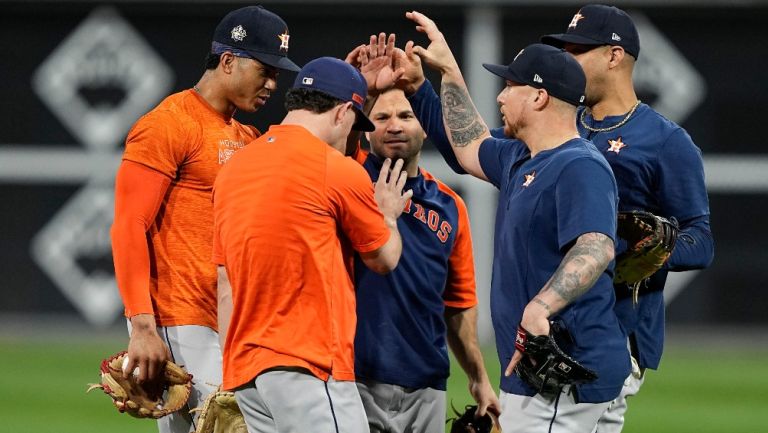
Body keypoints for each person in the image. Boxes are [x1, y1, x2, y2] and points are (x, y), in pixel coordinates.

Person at [399, 11, 632, 433]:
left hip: (562, 377)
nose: (501, 97)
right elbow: (468, 142)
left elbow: (596, 245)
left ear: (540, 97)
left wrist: (541, 306)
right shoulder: (518, 156)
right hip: (552, 374)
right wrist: (445, 72)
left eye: (510, 86)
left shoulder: (579, 165)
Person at [109, 6, 299, 432]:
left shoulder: (245, 135)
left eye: (277, 73)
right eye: (265, 70)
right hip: (182, 322)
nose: (272, 84)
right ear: (228, 60)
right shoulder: (168, 124)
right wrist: (142, 325)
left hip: (232, 321)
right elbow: (127, 225)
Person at [212, 57, 412, 433]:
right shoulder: (334, 168)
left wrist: (230, 372)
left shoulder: (234, 170)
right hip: (308, 366)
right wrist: (387, 214)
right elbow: (384, 259)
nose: (352, 136)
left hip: (247, 374)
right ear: (342, 113)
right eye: (355, 123)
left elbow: (226, 283)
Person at [540, 5, 715, 431]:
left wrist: (649, 252)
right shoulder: (560, 124)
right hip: (551, 322)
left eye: (579, 50)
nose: (568, 59)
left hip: (616, 325)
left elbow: (701, 239)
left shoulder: (664, 141)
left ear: (614, 56)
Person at [349, 87, 500, 432]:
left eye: (406, 116)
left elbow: (458, 303)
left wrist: (479, 379)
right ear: (365, 128)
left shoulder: (450, 207)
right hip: (355, 376)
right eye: (382, 117)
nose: (395, 126)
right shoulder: (348, 179)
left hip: (427, 383)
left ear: (425, 126)